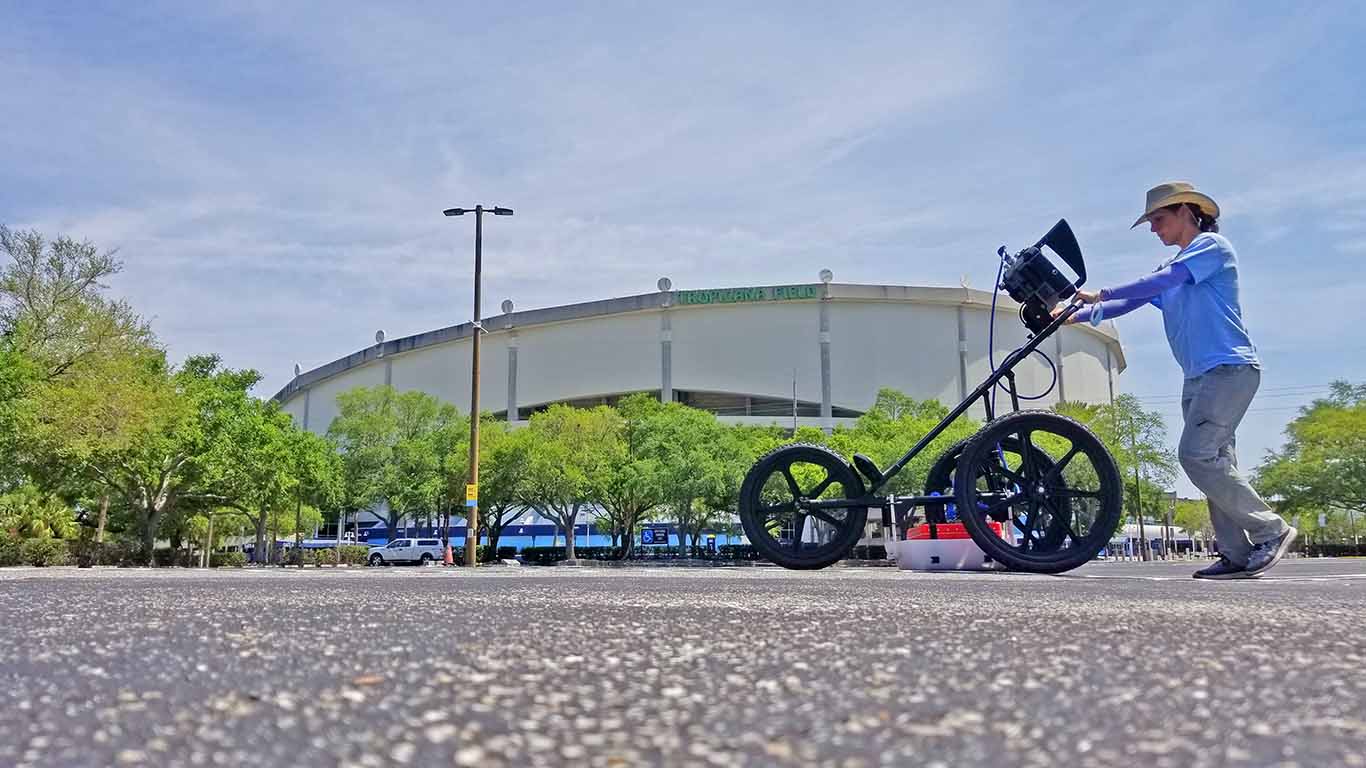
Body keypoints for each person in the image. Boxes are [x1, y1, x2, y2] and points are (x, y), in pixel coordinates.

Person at [1056, 181, 1296, 579]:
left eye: (1158, 219)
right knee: (1216, 462)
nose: (1153, 229)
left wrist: (1099, 293)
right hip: (1199, 377)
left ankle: (1271, 529)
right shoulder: (1172, 270)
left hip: (1228, 369)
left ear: (1188, 212)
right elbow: (1131, 301)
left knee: (1196, 456)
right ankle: (1236, 553)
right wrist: (1071, 316)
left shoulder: (1211, 250)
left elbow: (1159, 283)